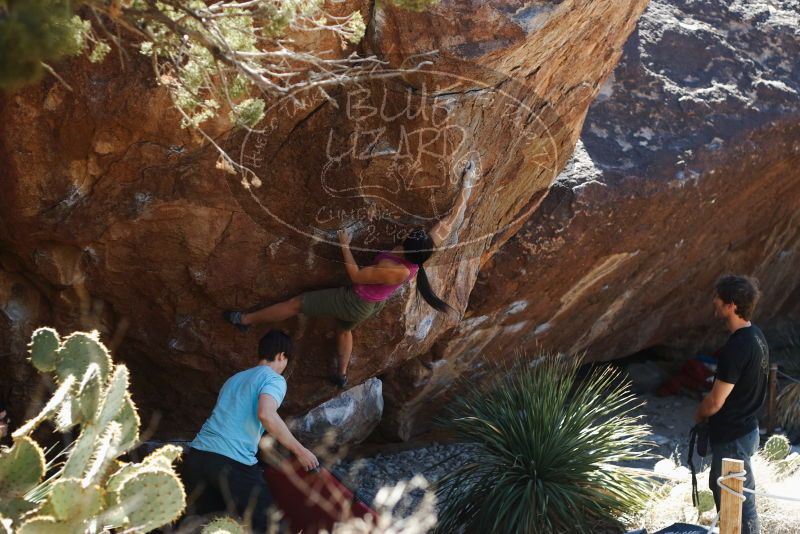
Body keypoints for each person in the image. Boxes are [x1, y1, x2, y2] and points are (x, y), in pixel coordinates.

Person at [224, 163, 476, 389]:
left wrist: (344, 244)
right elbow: (451, 219)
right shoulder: (423, 249)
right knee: (344, 330)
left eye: (406, 239)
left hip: (354, 301)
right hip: (368, 306)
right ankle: (341, 374)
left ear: (409, 249)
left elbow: (356, 275)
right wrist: (467, 184)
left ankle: (244, 319)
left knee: (296, 304)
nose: (405, 236)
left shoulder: (395, 270)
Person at [179, 330, 319, 533]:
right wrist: (301, 451)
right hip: (231, 463)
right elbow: (266, 414)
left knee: (203, 525)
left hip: (197, 457)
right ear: (281, 356)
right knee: (271, 525)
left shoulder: (234, 379)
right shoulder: (274, 379)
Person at [694, 274, 768, 534]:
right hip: (746, 430)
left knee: (737, 504)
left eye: (719, 298)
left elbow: (715, 401)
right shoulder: (756, 335)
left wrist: (699, 414)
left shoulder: (736, 347)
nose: (714, 301)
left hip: (733, 436)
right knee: (731, 497)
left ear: (732, 305)